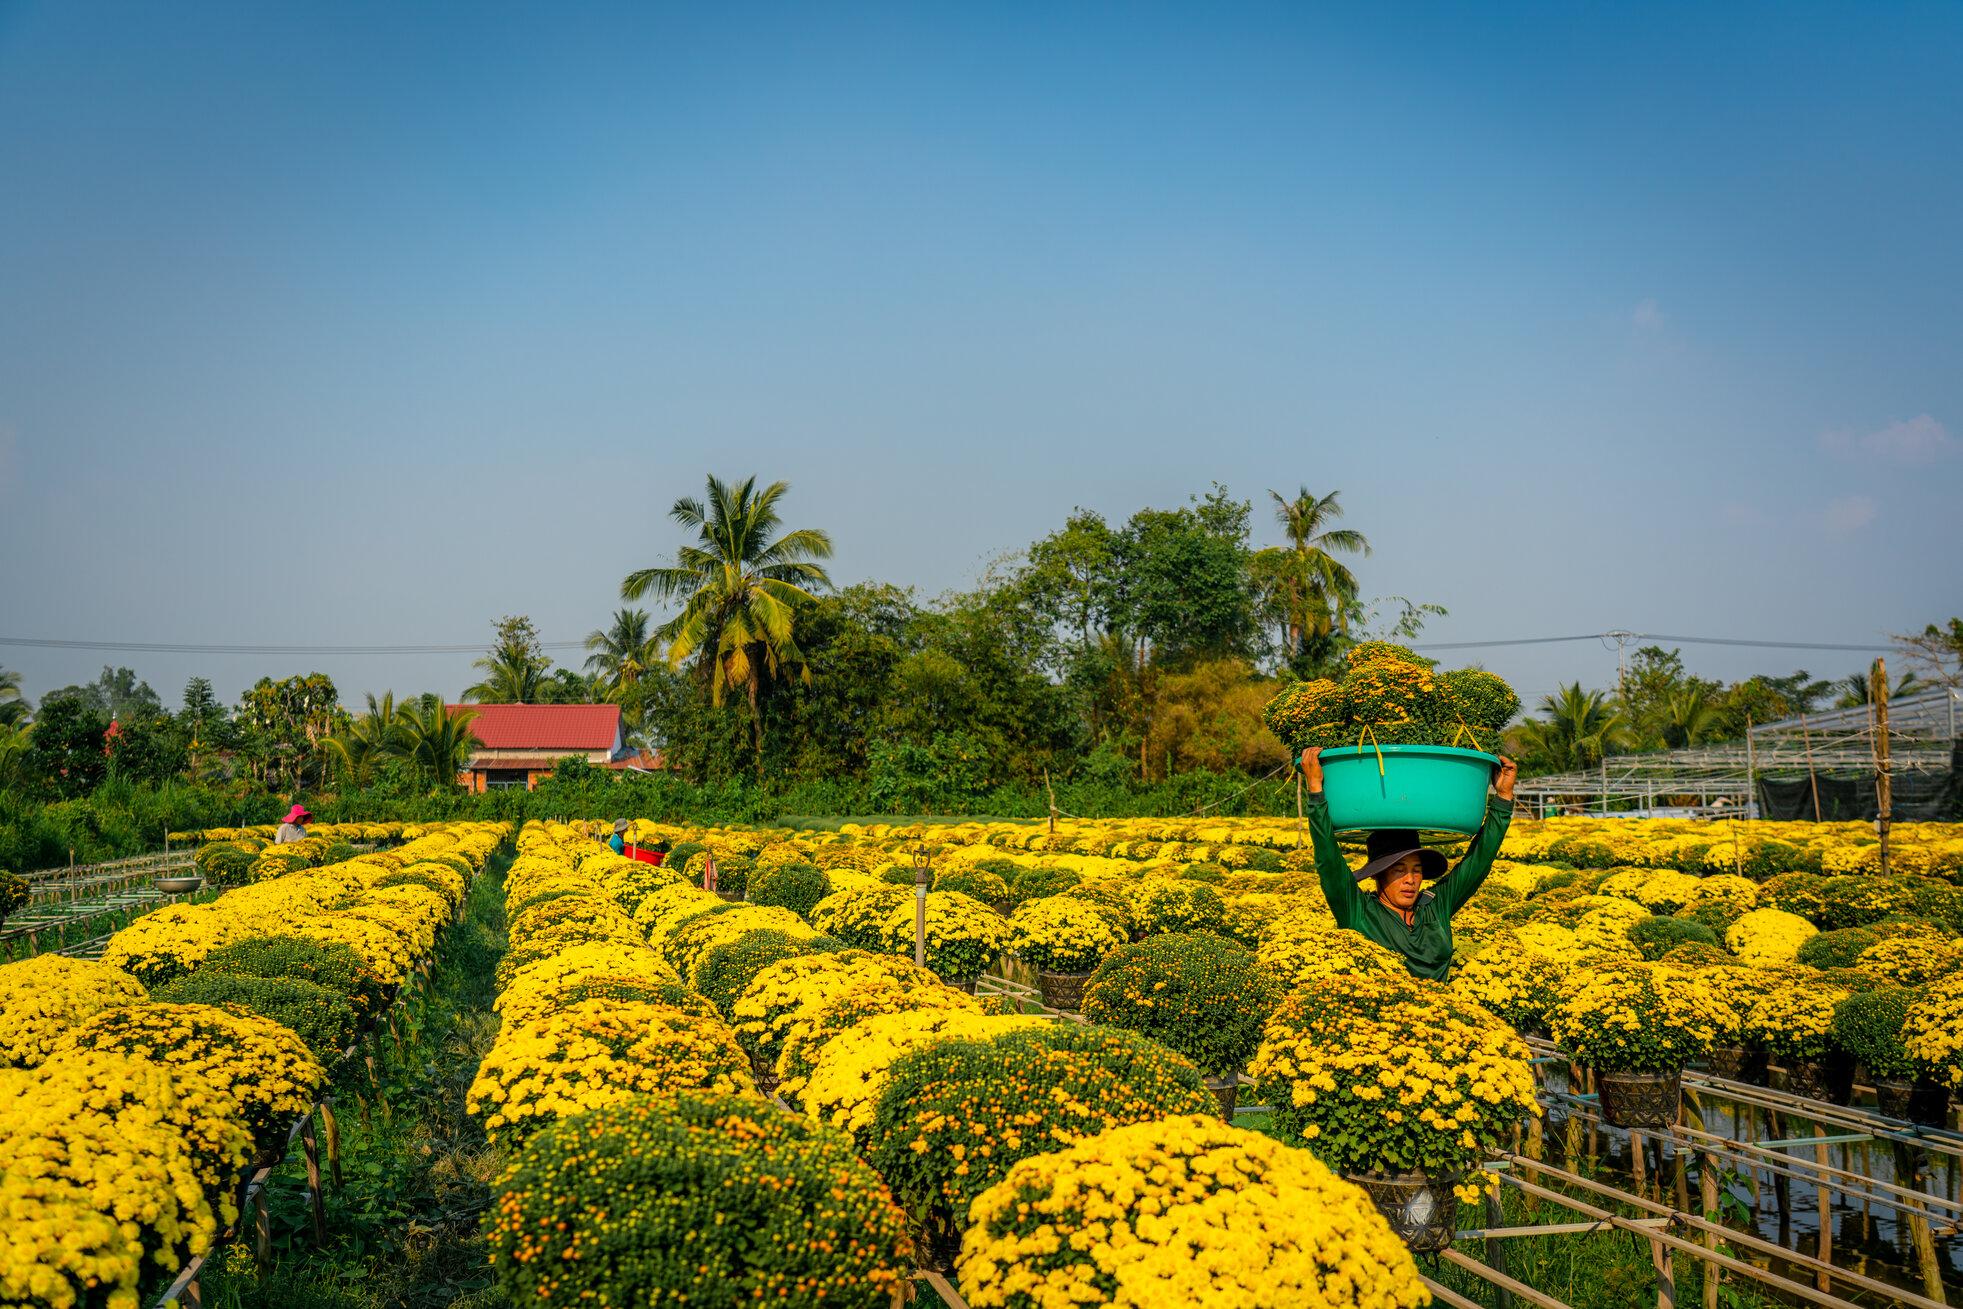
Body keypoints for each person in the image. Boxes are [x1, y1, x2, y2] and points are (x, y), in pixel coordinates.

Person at [1300, 747, 1518, 980]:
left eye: (1417, 870)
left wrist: (1503, 798)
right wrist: (1316, 791)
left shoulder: (1435, 906)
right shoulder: (1359, 912)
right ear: (1378, 873)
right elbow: (1328, 860)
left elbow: (1478, 863)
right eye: (1399, 870)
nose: (1411, 880)